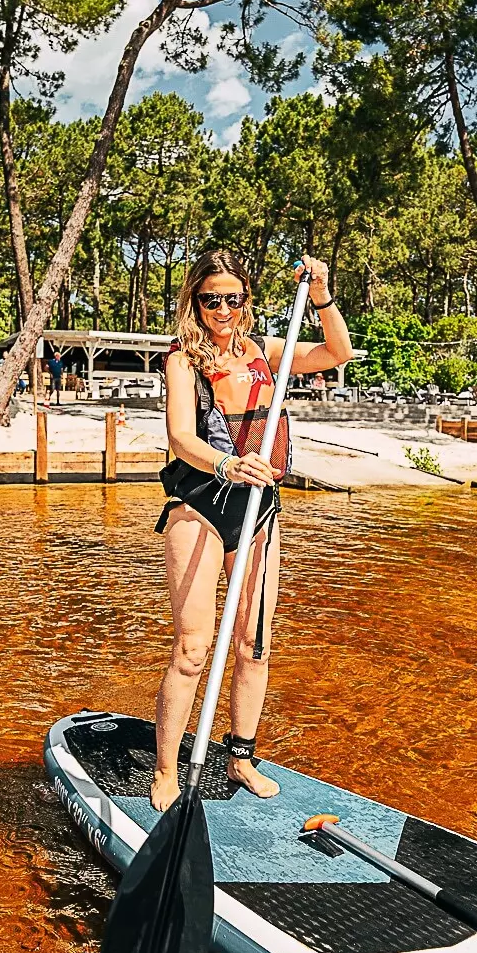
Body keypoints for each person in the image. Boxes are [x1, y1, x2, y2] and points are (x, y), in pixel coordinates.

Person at [151, 249, 353, 810]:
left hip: (258, 505)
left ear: (246, 299)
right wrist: (226, 464)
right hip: (200, 503)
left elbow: (338, 352)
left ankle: (240, 759)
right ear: (195, 301)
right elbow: (180, 438)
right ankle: (165, 770)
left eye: (232, 299)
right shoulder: (183, 360)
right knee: (193, 648)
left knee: (254, 645)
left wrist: (321, 294)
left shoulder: (267, 351)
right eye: (210, 299)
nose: (222, 310)